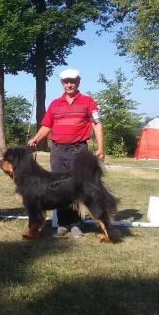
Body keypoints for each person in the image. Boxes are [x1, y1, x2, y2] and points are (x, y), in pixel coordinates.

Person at [27, 69, 105, 238]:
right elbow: (46, 126)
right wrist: (36, 138)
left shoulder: (88, 102)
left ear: (79, 81)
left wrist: (101, 148)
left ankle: (76, 225)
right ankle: (62, 224)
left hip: (79, 151)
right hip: (57, 151)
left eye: (73, 81)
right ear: (62, 83)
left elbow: (97, 124)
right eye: (66, 81)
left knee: (77, 187)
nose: (69, 84)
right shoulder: (55, 104)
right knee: (58, 188)